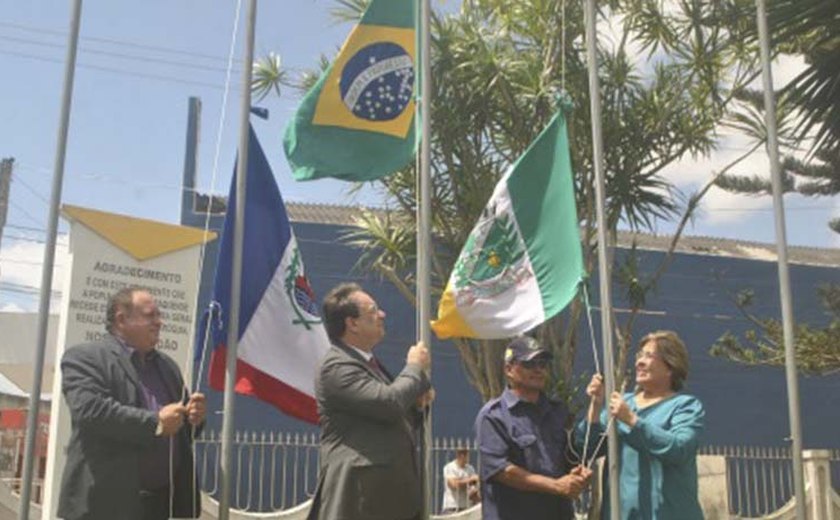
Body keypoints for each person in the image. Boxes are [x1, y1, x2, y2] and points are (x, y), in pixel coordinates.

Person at [58, 286, 206, 520]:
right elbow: (91, 411)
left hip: (159, 505)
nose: (159, 322)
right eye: (150, 315)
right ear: (121, 319)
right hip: (105, 506)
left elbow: (179, 428)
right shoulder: (85, 358)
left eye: (159, 315)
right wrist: (156, 422)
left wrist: (193, 417)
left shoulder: (167, 366)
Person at [307, 283, 433, 520]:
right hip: (360, 501)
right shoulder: (336, 366)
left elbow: (390, 418)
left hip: (389, 500)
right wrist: (414, 367)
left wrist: (417, 406)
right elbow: (389, 403)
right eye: (373, 310)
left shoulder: (368, 364)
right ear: (351, 323)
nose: (382, 315)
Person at [578, 330, 705, 519]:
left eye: (649, 356)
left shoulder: (685, 406)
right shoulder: (624, 403)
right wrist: (595, 406)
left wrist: (632, 420)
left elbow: (679, 449)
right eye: (639, 356)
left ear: (670, 366)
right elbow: (587, 448)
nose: (639, 362)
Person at [475, 336, 592, 520]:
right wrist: (556, 486)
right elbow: (502, 471)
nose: (538, 370)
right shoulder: (493, 416)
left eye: (543, 364)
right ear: (509, 370)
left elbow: (570, 457)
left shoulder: (558, 411)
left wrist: (577, 475)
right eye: (530, 364)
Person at [440, 448, 480, 514]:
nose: (468, 458)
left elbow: (472, 488)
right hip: (452, 507)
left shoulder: (470, 469)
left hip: (466, 508)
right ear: (461, 455)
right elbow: (453, 484)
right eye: (467, 455)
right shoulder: (449, 467)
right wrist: (470, 479)